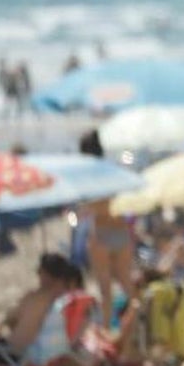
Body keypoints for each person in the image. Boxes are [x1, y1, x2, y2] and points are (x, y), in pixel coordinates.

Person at [78, 130, 135, 324]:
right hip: (120, 229)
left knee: (105, 290)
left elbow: (92, 207)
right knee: (128, 285)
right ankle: (143, 326)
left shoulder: (87, 174)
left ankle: (106, 331)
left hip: (101, 232)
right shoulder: (113, 169)